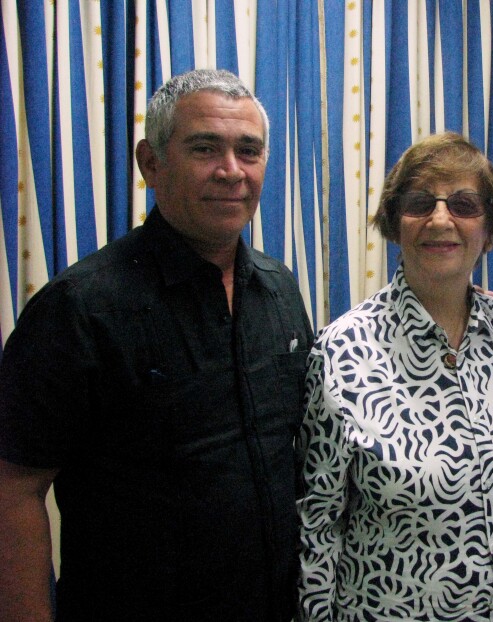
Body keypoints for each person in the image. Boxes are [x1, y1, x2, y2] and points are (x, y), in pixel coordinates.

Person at [0, 69, 313, 621]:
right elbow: (15, 489)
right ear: (151, 163)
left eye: (249, 150)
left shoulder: (280, 290)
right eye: (204, 148)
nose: (232, 171)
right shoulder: (78, 309)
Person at [298, 132, 493, 621]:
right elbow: (318, 524)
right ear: (394, 223)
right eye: (419, 203)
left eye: (463, 204)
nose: (440, 220)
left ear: (490, 229)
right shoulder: (342, 351)